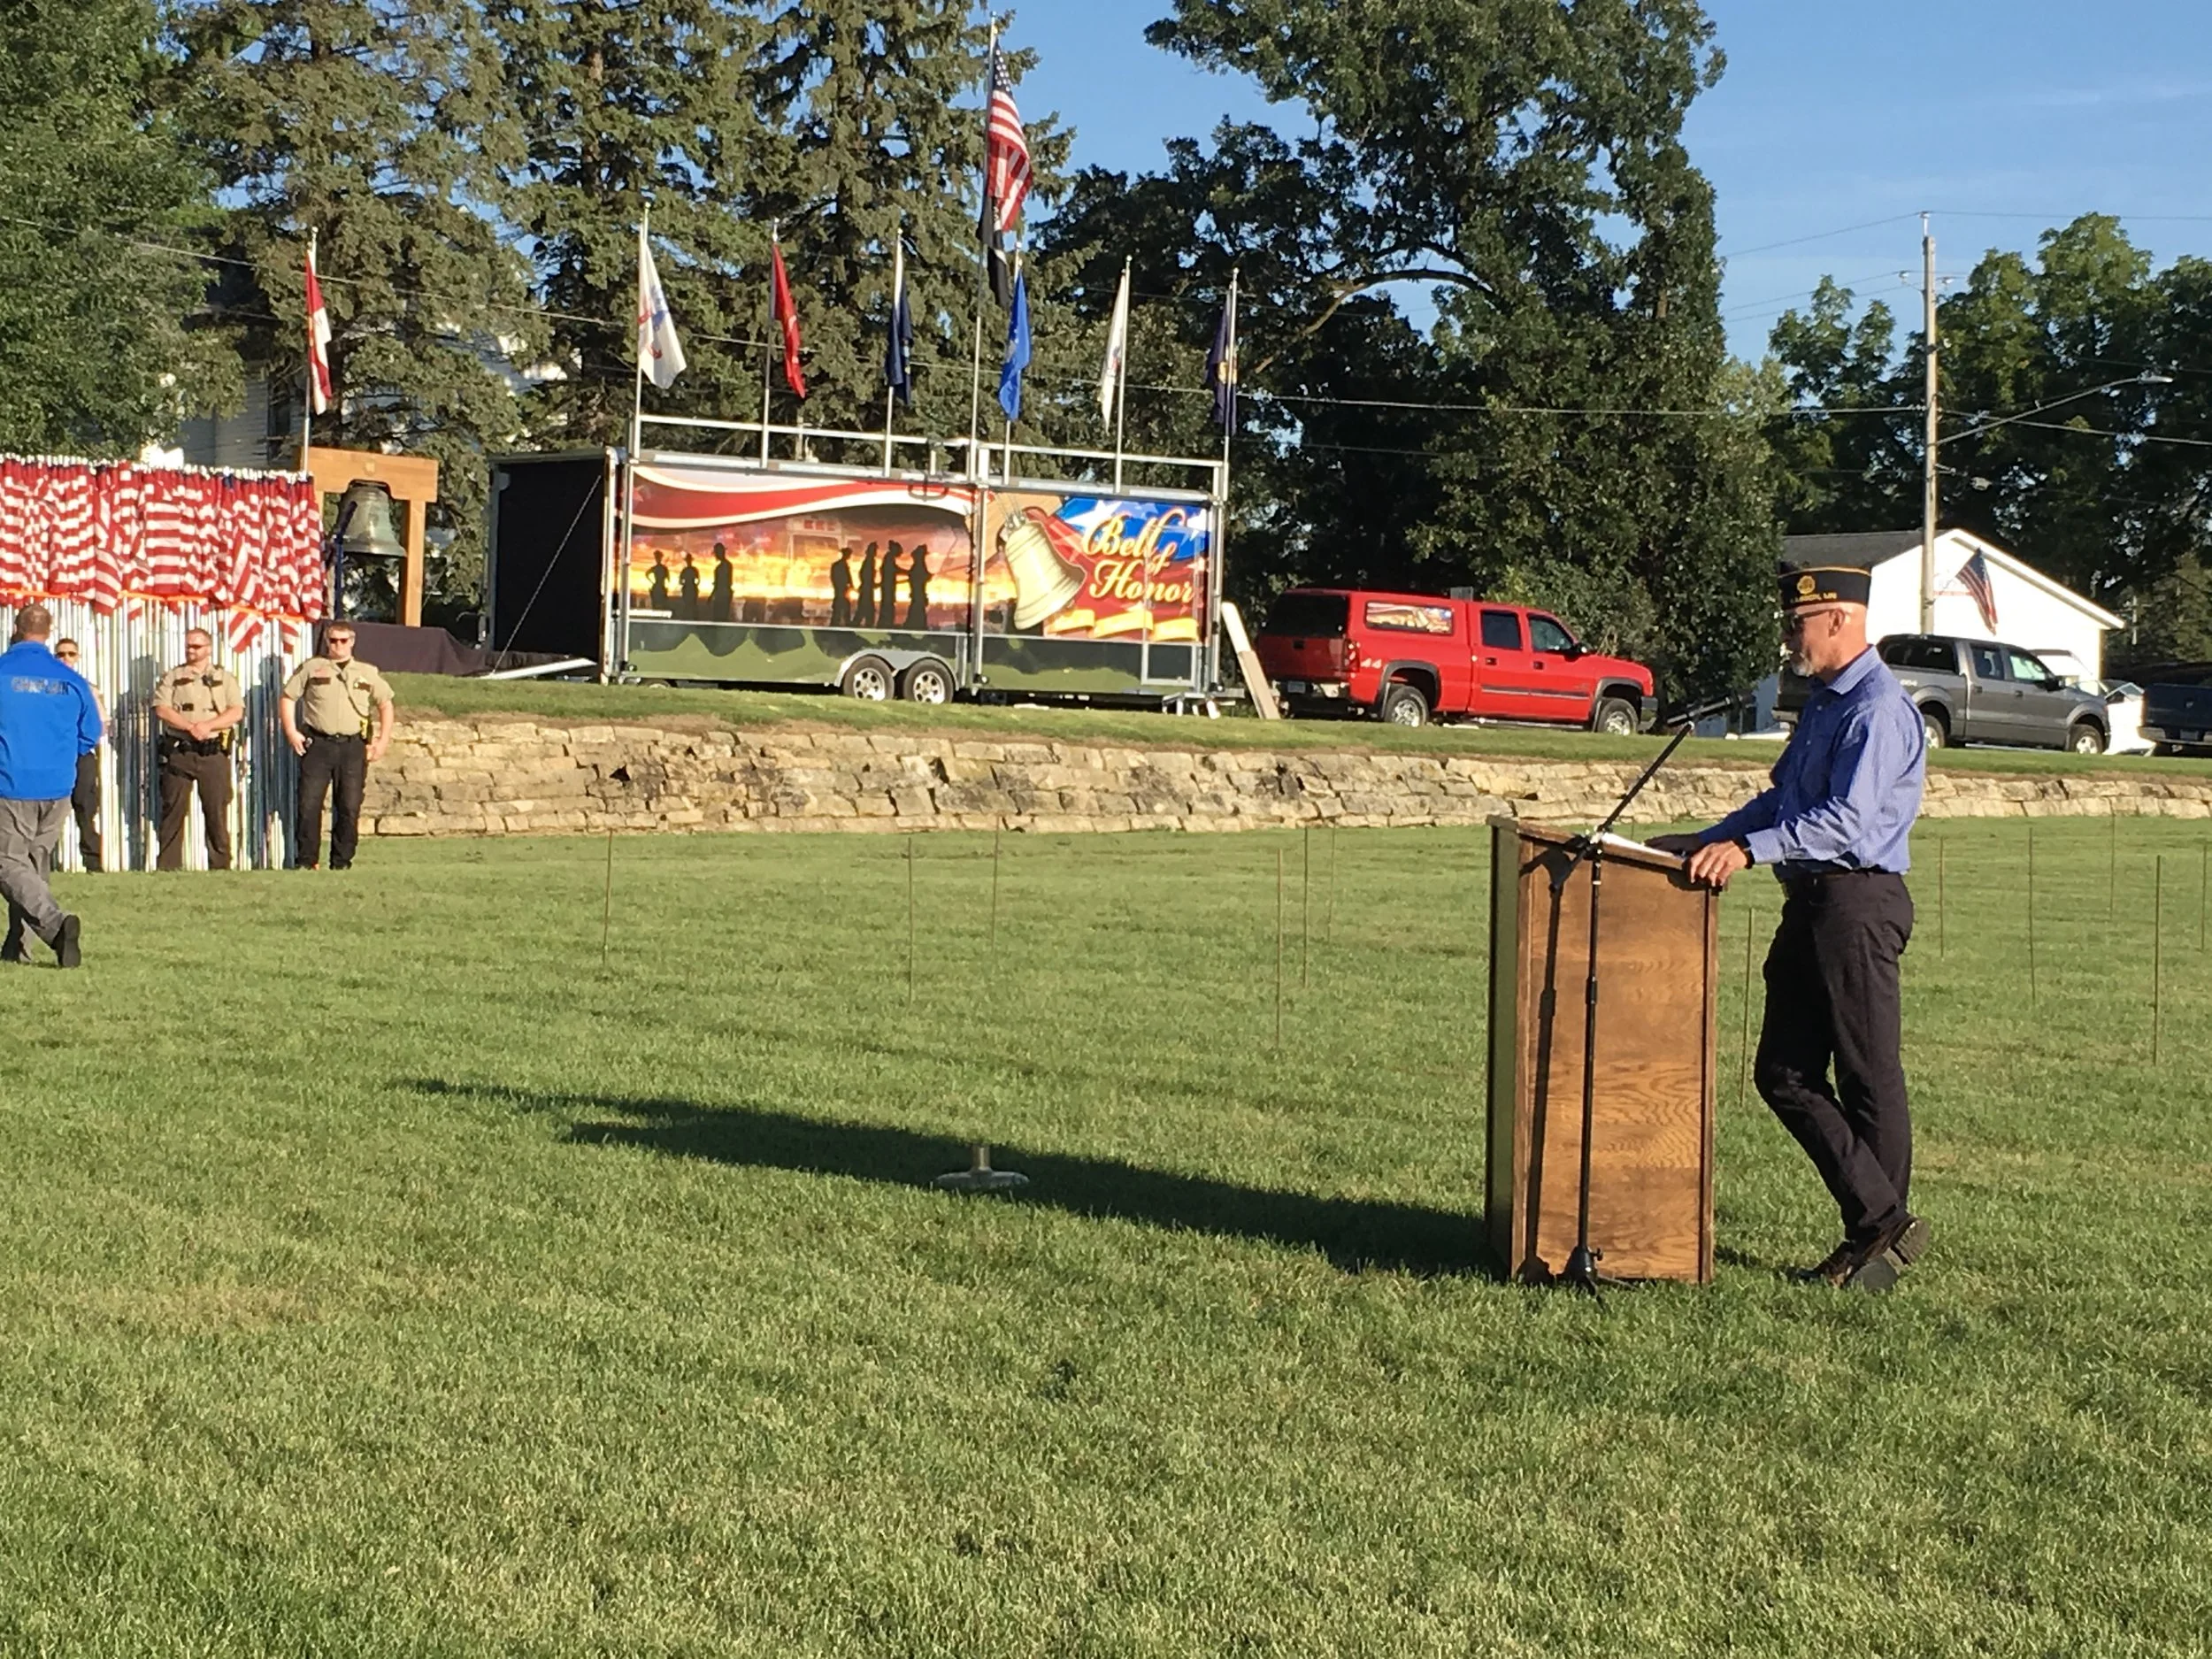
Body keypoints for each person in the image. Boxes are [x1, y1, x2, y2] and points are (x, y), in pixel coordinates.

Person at [1652, 564, 1930, 1294]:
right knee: (1783, 1073)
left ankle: (1875, 1243)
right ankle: (1882, 1224)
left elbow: (1847, 822)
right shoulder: (1823, 706)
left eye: (1798, 623)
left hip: (1857, 901)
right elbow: (1779, 801)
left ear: (1839, 618)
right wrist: (1696, 841)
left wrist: (1745, 852)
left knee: (1868, 1075)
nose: (1789, 637)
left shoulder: (1875, 710)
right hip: (1810, 901)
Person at [0, 604, 100, 967]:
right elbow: (90, 733)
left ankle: (57, 927)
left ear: (16, 628)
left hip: (10, 783)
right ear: (49, 631)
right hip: (57, 786)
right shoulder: (70, 679)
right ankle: (17, 947)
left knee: (7, 863)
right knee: (33, 866)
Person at [280, 621, 396, 871]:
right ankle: (307, 861)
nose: (338, 646)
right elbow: (289, 697)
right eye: (333, 641)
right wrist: (292, 731)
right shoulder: (313, 668)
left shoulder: (367, 671)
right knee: (309, 804)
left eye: (343, 641)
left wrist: (382, 740)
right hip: (319, 744)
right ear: (327, 642)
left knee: (349, 806)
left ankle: (341, 862)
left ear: (352, 642)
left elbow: (385, 703)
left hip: (352, 746)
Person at [152, 627, 245, 871]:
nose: (191, 651)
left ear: (208, 648)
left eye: (197, 646)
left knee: (216, 811)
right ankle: (168, 867)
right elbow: (162, 708)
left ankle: (221, 866)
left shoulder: (224, 678)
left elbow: (236, 711)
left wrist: (208, 726)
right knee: (173, 810)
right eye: (188, 646)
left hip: (212, 752)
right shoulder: (173, 676)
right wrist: (190, 727)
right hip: (181, 750)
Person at [52, 638, 102, 872]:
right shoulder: (46, 686)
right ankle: (43, 864)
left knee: (85, 808)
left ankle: (93, 864)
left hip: (80, 756)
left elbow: (97, 725)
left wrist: (79, 749)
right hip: (52, 756)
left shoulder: (87, 687)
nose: (66, 659)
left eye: (71, 654)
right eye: (61, 654)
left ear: (78, 657)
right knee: (49, 811)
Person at [829, 546, 855, 627]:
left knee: (842, 605)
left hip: (842, 588)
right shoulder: (840, 565)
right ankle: (840, 621)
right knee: (842, 605)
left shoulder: (839, 565)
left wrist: (851, 585)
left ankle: (838, 621)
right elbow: (843, 577)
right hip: (841, 588)